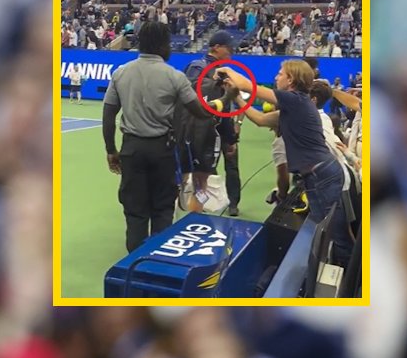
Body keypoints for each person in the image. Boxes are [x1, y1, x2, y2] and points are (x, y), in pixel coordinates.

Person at [103, 21, 225, 253]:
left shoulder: (121, 73)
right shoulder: (175, 77)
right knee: (162, 211)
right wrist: (226, 98)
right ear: (162, 45)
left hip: (132, 150)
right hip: (163, 151)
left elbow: (108, 115)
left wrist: (111, 150)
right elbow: (201, 112)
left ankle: (135, 263)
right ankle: (158, 263)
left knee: (135, 213)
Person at [221, 60, 354, 266]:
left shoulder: (296, 100)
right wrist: (236, 97)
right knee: (325, 231)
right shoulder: (294, 106)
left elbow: (248, 86)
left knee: (337, 236)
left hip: (322, 176)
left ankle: (349, 278)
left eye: (280, 74)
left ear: (291, 80)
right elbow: (260, 119)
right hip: (316, 176)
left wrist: (227, 69)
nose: (276, 77)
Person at [177, 30, 240, 216]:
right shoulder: (200, 68)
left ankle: (198, 212)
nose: (231, 52)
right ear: (217, 47)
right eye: (228, 48)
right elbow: (196, 100)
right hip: (203, 133)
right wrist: (230, 138)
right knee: (199, 180)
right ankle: (195, 217)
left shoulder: (216, 70)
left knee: (193, 179)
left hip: (204, 131)